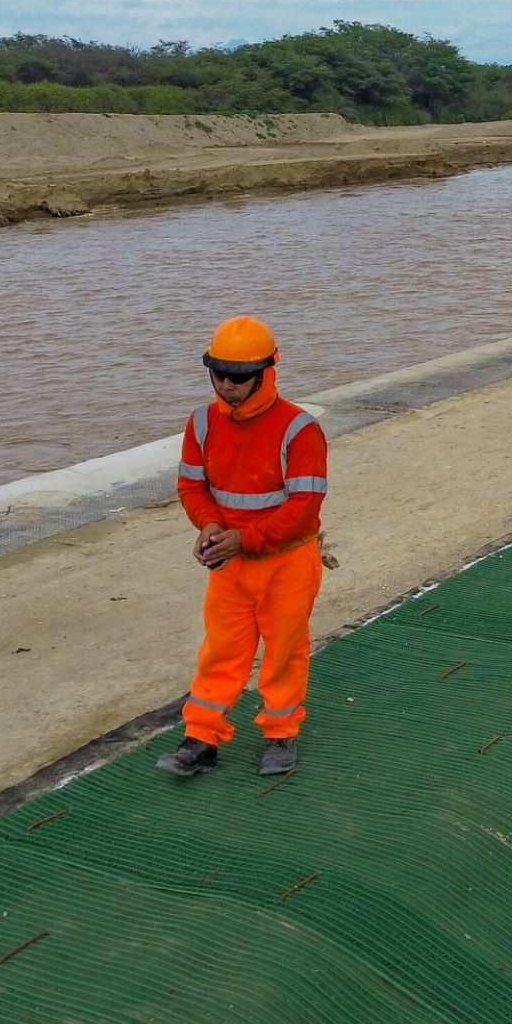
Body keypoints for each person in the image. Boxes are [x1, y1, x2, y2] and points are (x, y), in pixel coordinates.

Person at [158, 315, 329, 779]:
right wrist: (210, 526)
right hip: (231, 562)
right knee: (221, 652)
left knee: (285, 651)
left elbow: (305, 507)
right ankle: (202, 738)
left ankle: (279, 735)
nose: (228, 386)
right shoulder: (201, 423)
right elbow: (192, 487)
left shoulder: (299, 429)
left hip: (287, 562)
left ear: (266, 372)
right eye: (220, 375)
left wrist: (245, 538)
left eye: (239, 378)